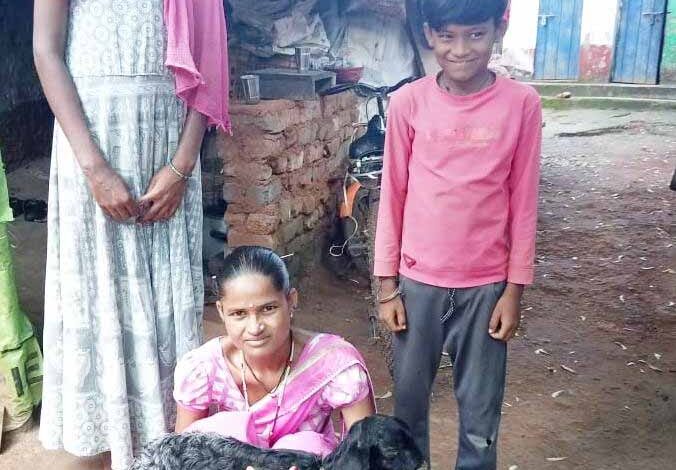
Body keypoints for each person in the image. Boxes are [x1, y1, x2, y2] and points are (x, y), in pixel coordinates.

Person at [33, 1, 230, 469]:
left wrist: (181, 167)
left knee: (164, 301)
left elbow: (209, 62)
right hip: (91, 143)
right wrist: (95, 169)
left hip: (168, 148)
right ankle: (106, 444)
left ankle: (167, 444)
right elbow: (46, 51)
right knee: (100, 297)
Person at [373, 0, 541, 468]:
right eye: (447, 36)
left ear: (499, 28)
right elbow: (393, 195)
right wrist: (387, 287)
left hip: (487, 288)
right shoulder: (408, 103)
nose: (461, 49)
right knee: (407, 411)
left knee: (480, 418)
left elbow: (524, 202)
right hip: (417, 285)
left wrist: (514, 291)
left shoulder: (521, 104)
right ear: (429, 34)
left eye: (475, 34)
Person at [174, 246, 375, 458]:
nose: (255, 328)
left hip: (308, 464)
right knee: (227, 430)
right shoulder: (203, 368)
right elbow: (180, 455)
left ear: (291, 301)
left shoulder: (333, 364)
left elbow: (366, 456)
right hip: (234, 463)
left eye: (268, 309)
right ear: (222, 312)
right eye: (239, 313)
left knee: (306, 446)